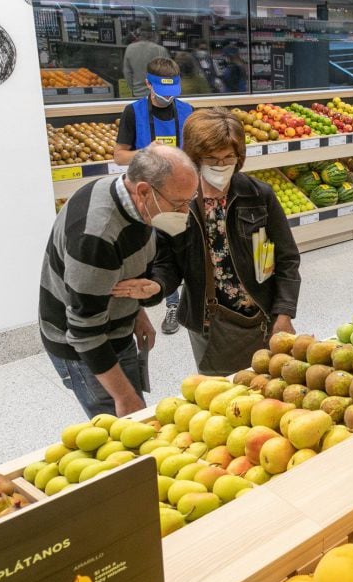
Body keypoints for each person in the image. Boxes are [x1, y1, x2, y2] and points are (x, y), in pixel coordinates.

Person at [130, 108, 300, 376]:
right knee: (222, 398)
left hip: (261, 317)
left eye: (228, 158)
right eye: (211, 159)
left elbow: (287, 259)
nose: (221, 166)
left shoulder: (258, 195)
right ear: (194, 159)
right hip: (209, 321)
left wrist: (284, 313)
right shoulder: (176, 201)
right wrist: (156, 286)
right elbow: (169, 263)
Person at [39, 145, 199, 417]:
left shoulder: (136, 202)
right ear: (144, 191)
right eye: (178, 203)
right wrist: (124, 397)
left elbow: (125, 269)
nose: (185, 212)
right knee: (121, 427)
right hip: (82, 347)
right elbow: (84, 331)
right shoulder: (96, 237)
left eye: (189, 200)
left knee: (133, 414)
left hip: (113, 326)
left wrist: (137, 313)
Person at [114, 57, 195, 335]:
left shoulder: (187, 111)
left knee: (183, 246)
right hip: (147, 198)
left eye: (172, 94)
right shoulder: (132, 112)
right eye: (162, 94)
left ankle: (187, 301)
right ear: (148, 84)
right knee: (158, 252)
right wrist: (148, 152)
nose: (167, 100)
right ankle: (168, 303)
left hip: (181, 194)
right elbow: (119, 155)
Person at [123, 30, 169, 99]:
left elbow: (127, 73)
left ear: (140, 36)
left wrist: (133, 88)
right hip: (158, 94)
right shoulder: (160, 50)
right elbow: (168, 73)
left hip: (138, 93)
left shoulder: (130, 48)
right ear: (154, 36)